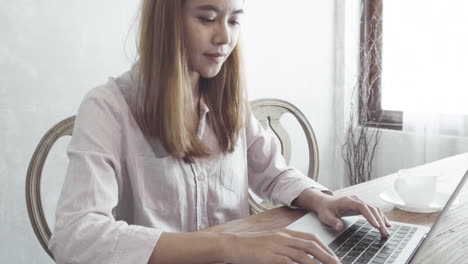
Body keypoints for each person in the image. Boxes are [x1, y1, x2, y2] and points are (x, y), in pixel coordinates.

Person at [49, 0, 391, 263]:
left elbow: (272, 173)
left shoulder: (228, 100)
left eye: (234, 20)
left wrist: (322, 200)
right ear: (166, 22)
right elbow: (75, 236)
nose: (224, 37)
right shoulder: (108, 107)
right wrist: (230, 245)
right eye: (207, 18)